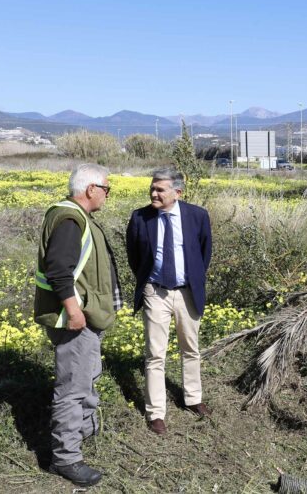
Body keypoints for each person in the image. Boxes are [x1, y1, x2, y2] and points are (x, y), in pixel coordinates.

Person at [33, 163, 123, 488]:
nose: (107, 195)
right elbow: (59, 270)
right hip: (75, 321)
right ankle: (66, 459)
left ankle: (84, 432)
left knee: (84, 379)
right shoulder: (71, 220)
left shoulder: (74, 217)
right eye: (106, 189)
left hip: (83, 319)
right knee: (72, 388)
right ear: (90, 189)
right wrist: (73, 310)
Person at [126, 168, 213, 436]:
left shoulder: (197, 216)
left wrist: (192, 280)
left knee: (191, 347)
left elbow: (204, 252)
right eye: (152, 188)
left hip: (187, 292)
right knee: (155, 354)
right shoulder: (140, 218)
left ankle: (193, 398)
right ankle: (156, 413)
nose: (154, 193)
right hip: (156, 292)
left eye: (160, 189)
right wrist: (150, 283)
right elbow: (134, 256)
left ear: (177, 192)